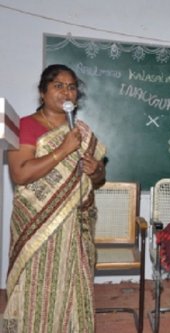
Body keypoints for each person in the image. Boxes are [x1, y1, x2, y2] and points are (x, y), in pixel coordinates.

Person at [3, 64, 107, 333]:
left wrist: (97, 171)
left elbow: (97, 181)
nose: (66, 92)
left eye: (71, 87)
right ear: (42, 93)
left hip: (76, 226)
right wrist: (62, 150)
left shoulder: (82, 131)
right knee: (36, 287)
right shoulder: (25, 125)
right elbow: (20, 174)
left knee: (74, 285)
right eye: (58, 86)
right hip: (38, 225)